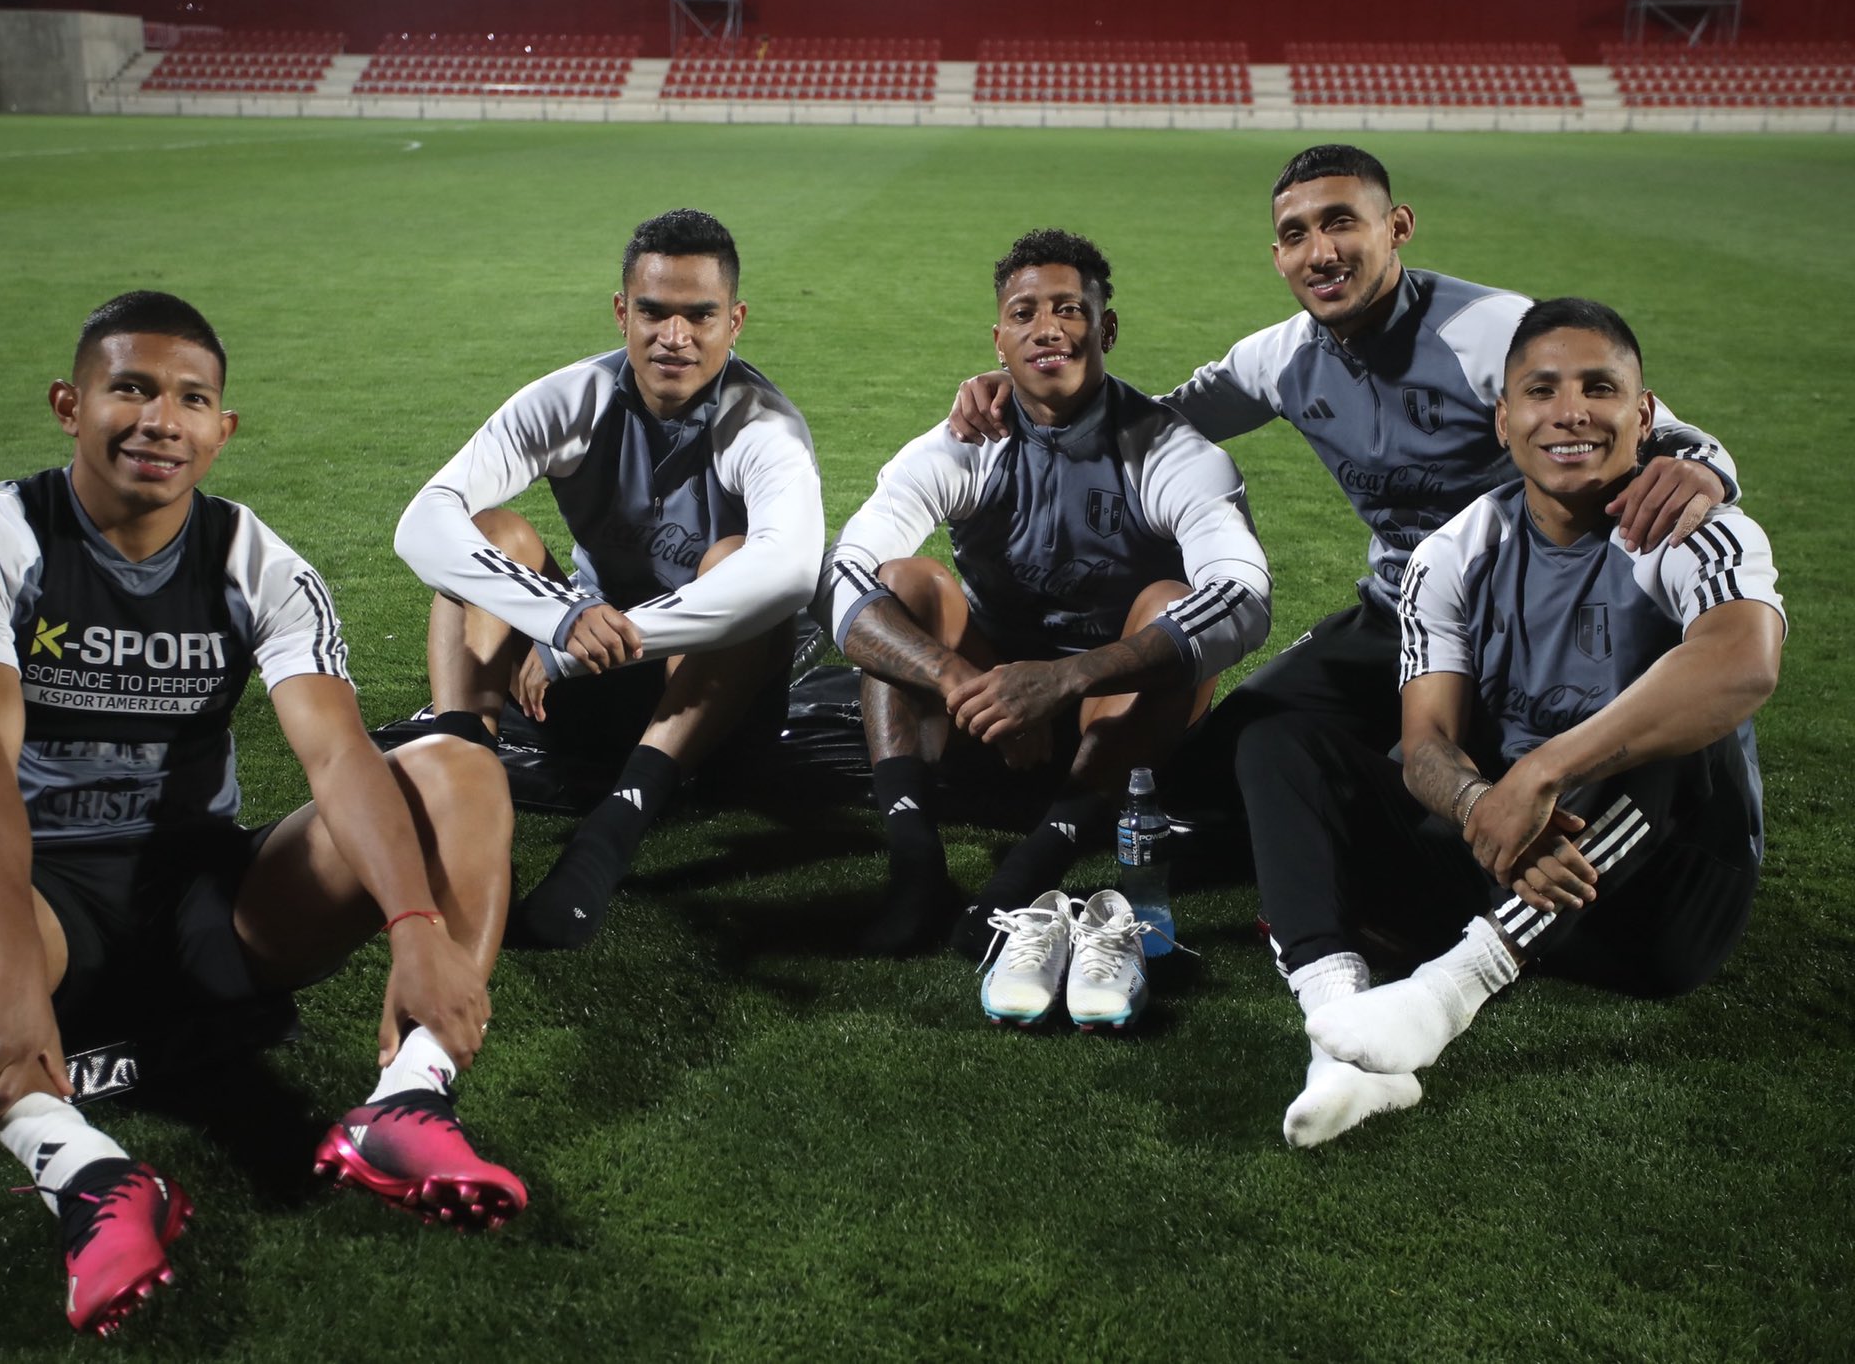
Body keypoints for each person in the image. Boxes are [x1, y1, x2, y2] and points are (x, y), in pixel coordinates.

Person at [0, 293, 526, 1338]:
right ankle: (82, 1170)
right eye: (131, 389)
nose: (161, 420)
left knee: (459, 767)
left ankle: (410, 1099)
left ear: (222, 429)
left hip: (212, 908)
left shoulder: (256, 560)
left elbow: (337, 754)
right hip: (37, 904)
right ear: (70, 403)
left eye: (192, 399)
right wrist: (6, 958)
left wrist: (414, 925)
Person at [947, 147, 1740, 941]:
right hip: (1398, 610)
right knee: (1219, 761)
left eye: (1340, 224)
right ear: (1279, 256)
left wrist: (1704, 468)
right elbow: (1149, 422)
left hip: (1530, 626)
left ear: (1395, 228)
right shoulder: (1279, 357)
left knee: (1462, 790)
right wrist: (1021, 389)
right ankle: (1311, 834)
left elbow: (1641, 415)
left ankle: (1377, 847)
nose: (1320, 252)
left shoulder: (1489, 330)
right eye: (1296, 234)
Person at [1252, 298, 1783, 1145]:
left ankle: (1447, 993)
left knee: (1687, 714)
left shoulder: (1695, 531)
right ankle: (1340, 1031)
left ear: (1643, 416)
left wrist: (1536, 777)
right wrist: (1477, 805)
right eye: (1541, 391)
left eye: (1598, 388)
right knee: (1278, 737)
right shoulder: (1455, 552)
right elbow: (1425, 742)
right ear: (1505, 420)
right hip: (1504, 868)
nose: (1569, 412)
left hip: (1656, 912)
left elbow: (1743, 662)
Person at [817, 230, 1272, 1011]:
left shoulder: (1168, 450)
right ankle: (915, 859)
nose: (1048, 328)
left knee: (1169, 606)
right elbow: (842, 571)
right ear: (999, 339)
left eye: (1070, 309)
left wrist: (1063, 681)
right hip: (992, 702)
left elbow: (1243, 596)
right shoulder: (965, 442)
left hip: (1113, 707)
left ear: (1107, 329)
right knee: (905, 582)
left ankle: (1035, 861)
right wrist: (964, 678)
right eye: (1024, 313)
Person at [395, 209, 822, 950]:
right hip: (587, 674)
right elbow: (425, 520)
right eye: (654, 311)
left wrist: (582, 638)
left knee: (735, 559)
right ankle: (461, 780)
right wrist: (558, 614)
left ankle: (611, 832)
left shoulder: (765, 427)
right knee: (495, 530)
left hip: (704, 705)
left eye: (700, 315)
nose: (675, 336)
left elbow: (787, 573)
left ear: (736, 320)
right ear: (624, 310)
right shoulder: (572, 397)